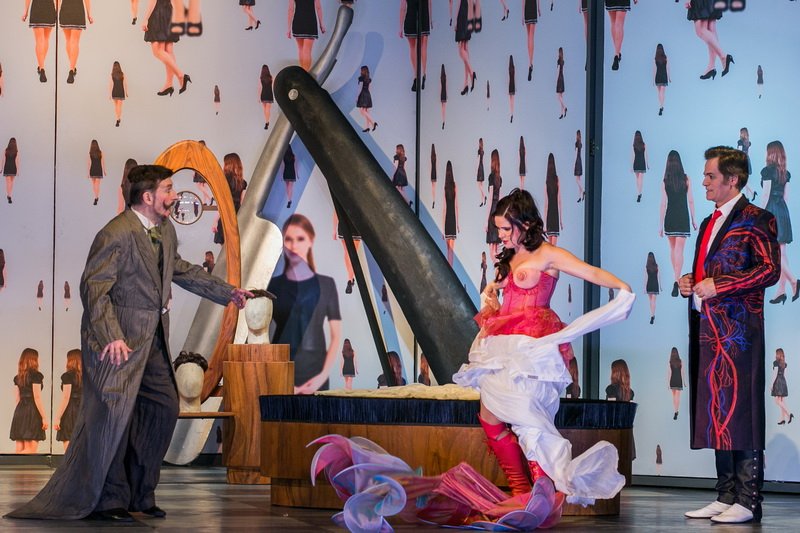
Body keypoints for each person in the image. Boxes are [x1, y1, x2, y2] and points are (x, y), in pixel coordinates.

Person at [6, 164, 251, 521]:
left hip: (151, 340)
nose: (174, 196)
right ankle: (110, 499)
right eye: (168, 189)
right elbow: (94, 289)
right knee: (114, 417)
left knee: (164, 407)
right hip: (116, 343)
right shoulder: (115, 234)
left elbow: (180, 269)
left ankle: (140, 493)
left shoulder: (165, 231)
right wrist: (112, 336)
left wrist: (228, 292)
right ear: (148, 197)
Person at [454, 188, 633, 506]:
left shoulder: (548, 254)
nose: (501, 235)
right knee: (490, 415)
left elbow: (589, 271)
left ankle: (541, 494)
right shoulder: (510, 256)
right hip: (503, 344)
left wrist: (621, 286)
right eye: (498, 228)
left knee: (529, 418)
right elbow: (506, 297)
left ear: (525, 224)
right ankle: (521, 490)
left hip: (534, 345)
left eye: (506, 228)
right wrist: (491, 294)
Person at [679, 146, 780, 524]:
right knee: (716, 410)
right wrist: (691, 281)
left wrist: (719, 285)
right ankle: (725, 495)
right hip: (708, 330)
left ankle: (749, 500)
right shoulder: (709, 221)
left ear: (732, 179)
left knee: (741, 410)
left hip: (739, 332)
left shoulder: (758, 219)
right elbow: (708, 271)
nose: (703, 182)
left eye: (710, 176)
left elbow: (769, 270)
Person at [268, 214, 342, 394]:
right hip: (281, 370)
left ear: (310, 240)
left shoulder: (326, 284)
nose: (294, 245)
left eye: (300, 239)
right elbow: (263, 334)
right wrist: (278, 376)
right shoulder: (273, 286)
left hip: (316, 374)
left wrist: (321, 377)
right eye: (288, 239)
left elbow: (336, 336)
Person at [760, 141, 797, 304]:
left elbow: (765, 194)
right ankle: (781, 291)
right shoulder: (785, 173)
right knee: (782, 252)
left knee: (775, 254)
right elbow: (785, 197)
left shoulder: (767, 171)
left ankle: (794, 281)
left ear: (770, 153)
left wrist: (759, 214)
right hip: (782, 211)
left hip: (771, 210)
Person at [659, 150, 697, 297]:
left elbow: (663, 204)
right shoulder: (686, 179)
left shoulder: (665, 181)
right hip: (682, 216)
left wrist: (660, 225)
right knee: (679, 250)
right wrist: (693, 219)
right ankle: (677, 279)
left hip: (670, 217)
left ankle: (675, 278)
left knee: (673, 249)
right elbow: (691, 200)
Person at [142, 0, 190, 96]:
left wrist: (145, 19)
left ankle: (180, 75)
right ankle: (169, 83)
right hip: (169, 13)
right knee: (168, 51)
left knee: (158, 51)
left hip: (158, 14)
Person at [10, 348, 48, 454]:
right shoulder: (36, 376)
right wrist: (44, 417)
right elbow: (37, 397)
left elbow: (17, 399)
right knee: (30, 451)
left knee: (19, 450)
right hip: (32, 412)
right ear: (34, 360)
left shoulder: (18, 378)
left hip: (19, 411)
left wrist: (20, 415)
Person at [399, 0, 431, 92]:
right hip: (424, 18)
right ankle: (423, 73)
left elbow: (402, 8)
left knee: (413, 48)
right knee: (423, 47)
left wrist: (400, 27)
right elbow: (429, 4)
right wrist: (430, 20)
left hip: (411, 18)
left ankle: (416, 76)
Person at [59, 0, 93, 84]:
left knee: (68, 40)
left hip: (65, 9)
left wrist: (57, 11)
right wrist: (89, 14)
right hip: (78, 10)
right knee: (74, 42)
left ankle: (72, 68)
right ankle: (71, 68)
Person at [54, 349, 82, 452]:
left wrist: (58, 418)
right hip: (83, 410)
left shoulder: (68, 376)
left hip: (71, 412)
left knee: (69, 449)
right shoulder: (87, 376)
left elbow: (66, 397)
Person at [22, 0, 57, 83]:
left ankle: (42, 67)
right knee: (46, 39)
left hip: (37, 7)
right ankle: (41, 66)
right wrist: (56, 11)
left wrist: (25, 12)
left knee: (39, 40)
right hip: (49, 7)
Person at [288, 0, 325, 71]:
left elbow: (290, 9)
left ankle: (302, 72)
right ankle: (305, 73)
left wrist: (289, 28)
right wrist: (321, 24)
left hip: (298, 22)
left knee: (301, 49)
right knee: (307, 51)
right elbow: (318, 8)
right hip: (310, 22)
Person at [771, 348, 792, 425]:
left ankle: (789, 413)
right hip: (783, 381)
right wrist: (784, 385)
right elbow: (784, 375)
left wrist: (772, 384)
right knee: (782, 401)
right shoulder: (784, 364)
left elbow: (775, 374)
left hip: (778, 382)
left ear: (778, 354)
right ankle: (783, 419)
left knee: (777, 401)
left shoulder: (776, 362)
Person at [356, 65, 377, 132]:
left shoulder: (361, 78)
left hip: (363, 95)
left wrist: (357, 97)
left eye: (361, 70)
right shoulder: (368, 79)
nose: (360, 71)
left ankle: (373, 122)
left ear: (363, 71)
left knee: (362, 111)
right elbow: (369, 89)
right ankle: (367, 127)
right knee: (367, 111)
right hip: (367, 94)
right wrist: (368, 97)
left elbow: (360, 88)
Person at [109, 61, 128, 127]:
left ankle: (117, 118)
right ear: (119, 66)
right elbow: (125, 84)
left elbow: (111, 85)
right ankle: (118, 118)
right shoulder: (122, 74)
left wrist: (110, 94)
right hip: (121, 91)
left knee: (116, 106)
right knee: (119, 106)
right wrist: (126, 92)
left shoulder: (112, 74)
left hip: (114, 91)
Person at [668, 347, 685, 420]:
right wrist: (684, 382)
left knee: (674, 396)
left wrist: (668, 384)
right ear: (677, 353)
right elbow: (682, 372)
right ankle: (676, 411)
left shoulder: (670, 362)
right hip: (678, 380)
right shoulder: (680, 361)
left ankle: (675, 411)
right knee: (678, 397)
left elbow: (669, 373)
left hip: (672, 380)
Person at [654, 43, 670, 116]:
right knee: (662, 92)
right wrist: (669, 77)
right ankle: (661, 106)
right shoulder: (665, 57)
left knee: (659, 92)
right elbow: (667, 68)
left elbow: (654, 70)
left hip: (658, 76)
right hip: (664, 76)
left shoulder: (655, 58)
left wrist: (653, 80)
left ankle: (661, 106)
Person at [88, 139, 106, 206]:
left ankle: (96, 197)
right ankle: (96, 197)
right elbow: (102, 162)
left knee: (94, 185)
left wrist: (88, 173)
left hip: (92, 169)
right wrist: (104, 171)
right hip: (98, 170)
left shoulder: (90, 153)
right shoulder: (100, 152)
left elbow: (89, 163)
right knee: (97, 185)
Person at [645, 251, 660, 324]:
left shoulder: (647, 267)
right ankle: (653, 315)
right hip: (655, 284)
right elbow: (659, 276)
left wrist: (644, 287)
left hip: (649, 285)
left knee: (650, 301)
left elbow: (646, 278)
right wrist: (660, 286)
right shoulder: (656, 266)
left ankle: (652, 315)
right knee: (654, 301)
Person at [3, 137, 19, 204]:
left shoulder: (6, 150)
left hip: (7, 167)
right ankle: (9, 195)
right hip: (13, 168)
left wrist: (1, 169)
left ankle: (9, 195)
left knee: (8, 183)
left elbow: (3, 160)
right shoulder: (16, 151)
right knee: (11, 182)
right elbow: (17, 162)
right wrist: (17, 171)